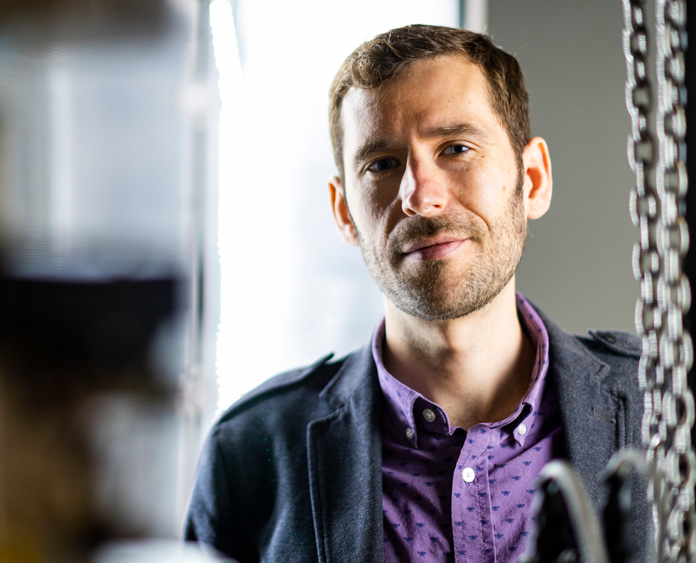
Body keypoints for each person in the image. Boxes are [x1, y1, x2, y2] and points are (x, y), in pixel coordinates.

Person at [185, 24, 648, 563]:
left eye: (456, 148)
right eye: (382, 164)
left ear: (534, 180)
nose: (420, 196)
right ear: (345, 214)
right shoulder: (248, 453)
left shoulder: (661, 405)